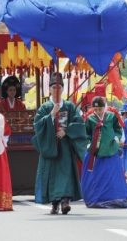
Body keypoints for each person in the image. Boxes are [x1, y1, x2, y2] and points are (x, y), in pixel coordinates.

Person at [31, 72, 87, 215]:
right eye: (54, 88)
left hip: (65, 146)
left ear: (63, 89)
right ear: (49, 89)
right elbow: (37, 125)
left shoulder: (70, 106)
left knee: (66, 172)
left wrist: (66, 131)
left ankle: (65, 201)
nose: (56, 90)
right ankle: (55, 203)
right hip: (50, 146)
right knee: (52, 173)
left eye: (59, 87)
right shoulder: (45, 107)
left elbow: (79, 123)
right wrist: (51, 115)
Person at [81, 96, 127, 208]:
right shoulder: (90, 119)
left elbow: (118, 129)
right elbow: (86, 133)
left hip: (111, 149)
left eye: (100, 109)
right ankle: (96, 198)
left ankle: (116, 197)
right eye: (96, 109)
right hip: (96, 151)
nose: (98, 111)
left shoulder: (111, 116)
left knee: (112, 175)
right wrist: (89, 143)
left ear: (104, 107)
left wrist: (117, 139)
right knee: (97, 175)